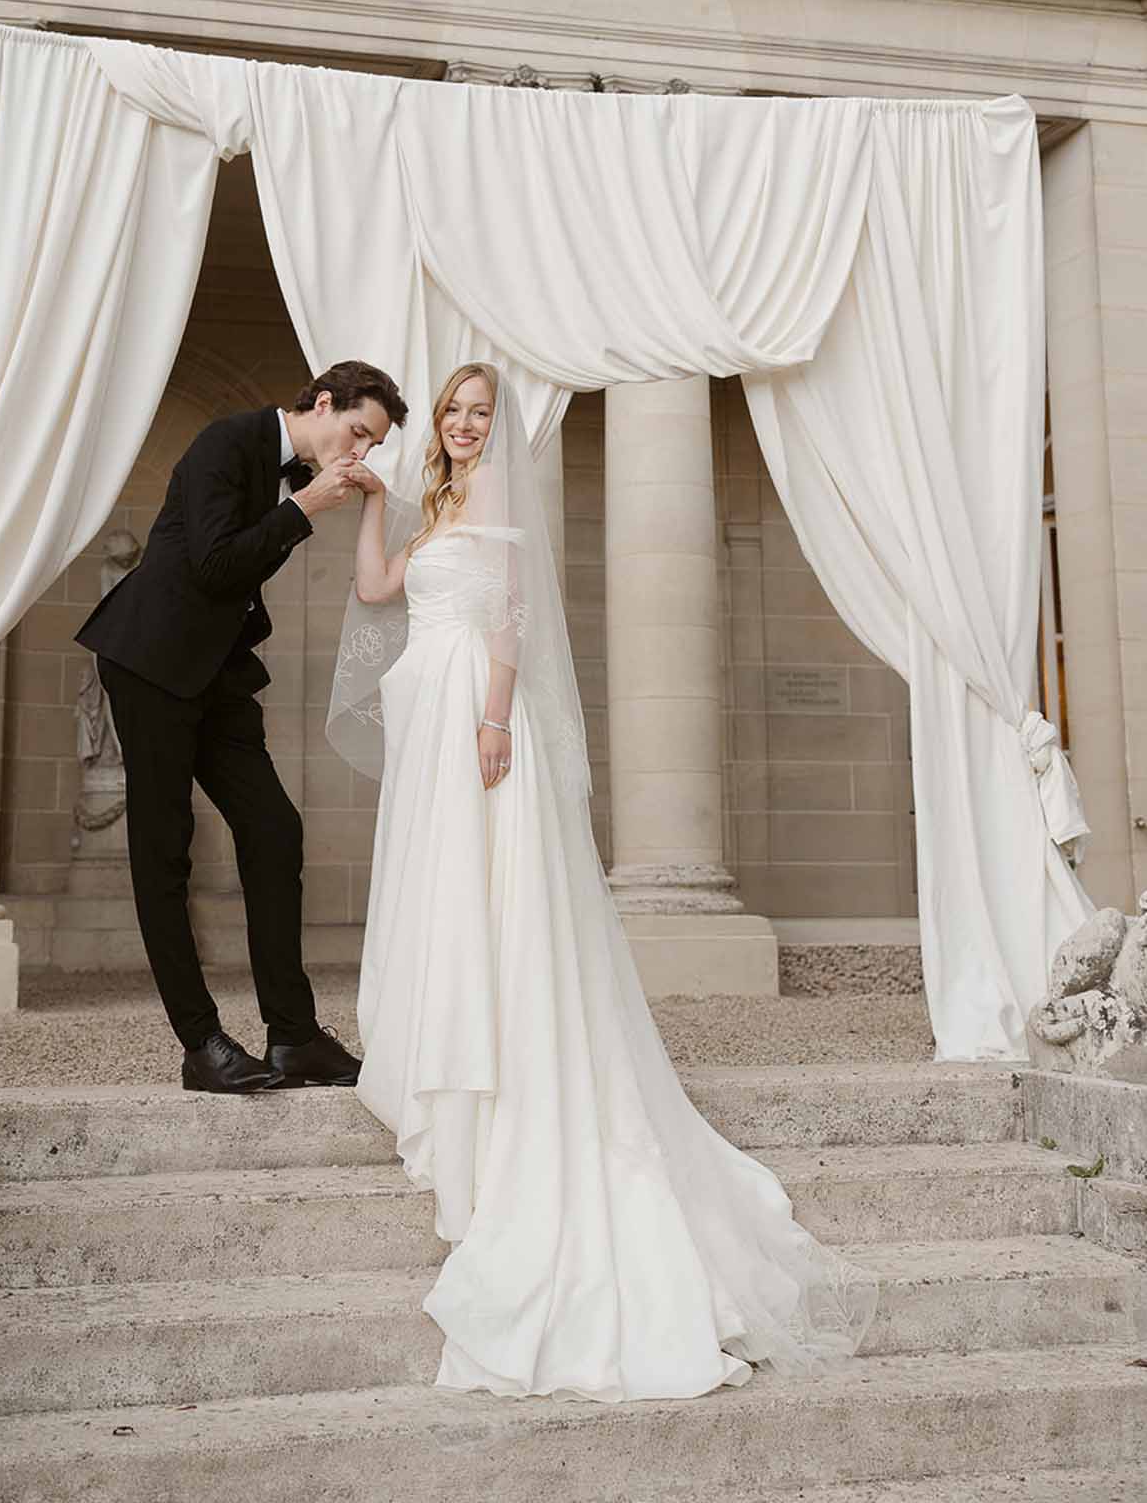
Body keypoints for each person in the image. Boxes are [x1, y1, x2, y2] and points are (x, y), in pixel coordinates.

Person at [334, 362, 877, 1401]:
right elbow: (375, 590)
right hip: (430, 709)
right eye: (451, 411)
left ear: (497, 427)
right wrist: (368, 507)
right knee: (445, 898)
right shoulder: (441, 501)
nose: (461, 424)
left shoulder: (493, 489)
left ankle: (502, 1068)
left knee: (495, 896)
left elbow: (510, 619)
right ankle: (459, 1044)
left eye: (479, 412)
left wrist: (494, 719)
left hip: (476, 716)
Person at [77, 360, 407, 1095]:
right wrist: (306, 508)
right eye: (357, 431)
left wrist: (305, 504)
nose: (361, 452)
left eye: (373, 444)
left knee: (275, 829)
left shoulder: (291, 472)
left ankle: (292, 1037)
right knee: (164, 853)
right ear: (322, 402)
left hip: (218, 677)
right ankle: (201, 1045)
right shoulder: (226, 444)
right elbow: (216, 563)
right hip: (152, 663)